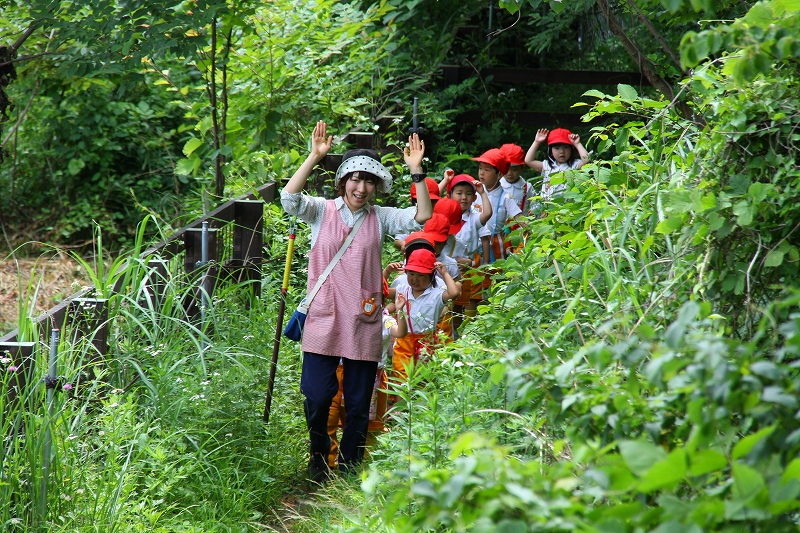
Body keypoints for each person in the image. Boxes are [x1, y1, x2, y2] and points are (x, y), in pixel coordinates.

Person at [280, 120, 432, 481]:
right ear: (343, 180)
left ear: (376, 186)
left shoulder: (381, 218)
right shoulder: (321, 211)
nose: (360, 187)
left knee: (360, 402)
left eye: (368, 181)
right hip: (323, 317)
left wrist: (416, 171)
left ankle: (349, 468)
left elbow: (422, 216)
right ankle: (319, 456)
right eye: (355, 178)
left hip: (363, 320)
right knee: (316, 396)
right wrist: (314, 157)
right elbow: (289, 199)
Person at [327, 290, 408, 468]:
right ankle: (330, 461)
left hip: (374, 378)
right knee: (334, 417)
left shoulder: (386, 321)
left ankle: (363, 461)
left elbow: (400, 332)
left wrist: (400, 310)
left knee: (370, 423)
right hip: (341, 372)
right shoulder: (347, 315)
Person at [385, 248, 461, 385]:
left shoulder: (437, 294)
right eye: (411, 274)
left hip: (426, 341)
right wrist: (387, 272)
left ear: (432, 275)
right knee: (401, 379)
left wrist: (445, 273)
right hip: (404, 340)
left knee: (423, 380)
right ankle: (400, 405)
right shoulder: (403, 289)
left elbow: (454, 293)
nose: (415, 279)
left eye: (421, 275)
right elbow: (381, 291)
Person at [439, 174, 492, 331]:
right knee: (444, 303)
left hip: (466, 267)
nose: (464, 197)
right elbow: (431, 201)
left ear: (474, 197)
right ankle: (443, 333)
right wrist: (445, 182)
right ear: (449, 195)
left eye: (469, 194)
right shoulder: (443, 217)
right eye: (459, 193)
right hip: (444, 268)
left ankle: (459, 333)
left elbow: (487, 214)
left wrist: (483, 193)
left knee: (461, 302)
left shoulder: (473, 218)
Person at [473, 148, 522, 265]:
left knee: (495, 271)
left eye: (487, 169)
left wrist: (535, 232)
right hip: (474, 239)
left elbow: (519, 218)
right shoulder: (474, 191)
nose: (481, 173)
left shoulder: (505, 197)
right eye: (480, 168)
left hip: (495, 241)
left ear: (499, 174)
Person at [524, 128, 590, 201]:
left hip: (567, 208)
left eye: (566, 147)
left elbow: (586, 159)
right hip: (547, 207)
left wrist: (577, 144)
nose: (562, 151)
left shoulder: (575, 165)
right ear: (550, 151)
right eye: (557, 148)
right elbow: (528, 160)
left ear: (571, 149)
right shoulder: (546, 166)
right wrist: (537, 142)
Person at [393, 177, 441, 252]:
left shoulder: (440, 217)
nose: (427, 204)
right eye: (422, 201)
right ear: (412, 201)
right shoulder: (408, 217)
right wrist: (403, 244)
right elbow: (397, 240)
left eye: (432, 201)